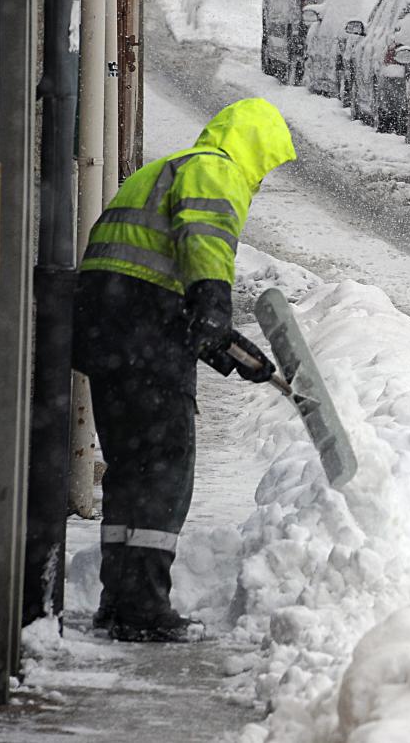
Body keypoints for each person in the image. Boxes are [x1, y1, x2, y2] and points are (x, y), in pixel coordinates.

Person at [72, 98, 296, 642]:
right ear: (253, 148)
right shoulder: (215, 169)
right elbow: (206, 240)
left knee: (130, 470)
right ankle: (143, 610)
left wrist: (209, 337)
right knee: (165, 470)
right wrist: (213, 303)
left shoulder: (165, 169)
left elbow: (149, 260)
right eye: (265, 164)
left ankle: (120, 602)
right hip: (144, 329)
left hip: (108, 329)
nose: (262, 177)